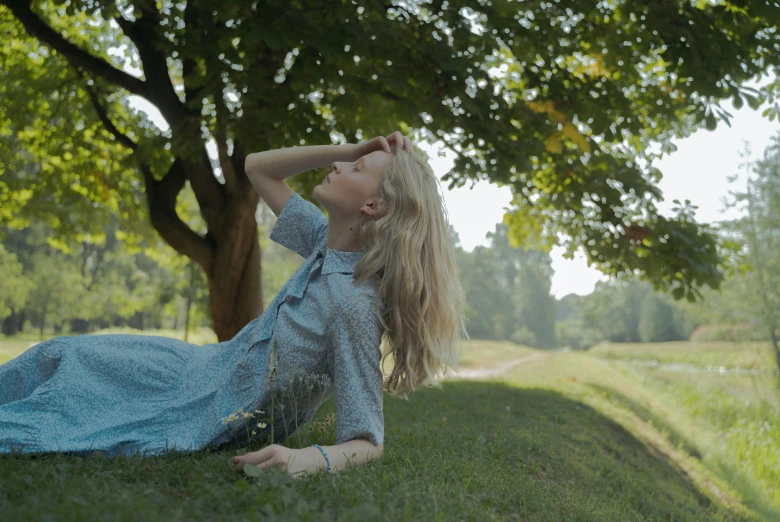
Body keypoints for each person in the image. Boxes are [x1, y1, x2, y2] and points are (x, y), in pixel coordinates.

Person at [0, 131, 469, 478]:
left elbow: (367, 440)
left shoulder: (353, 306)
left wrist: (304, 458)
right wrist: (350, 151)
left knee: (69, 381)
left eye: (357, 170)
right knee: (59, 353)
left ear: (372, 207)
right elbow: (258, 167)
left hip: (204, 407)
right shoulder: (322, 245)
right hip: (198, 367)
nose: (343, 168)